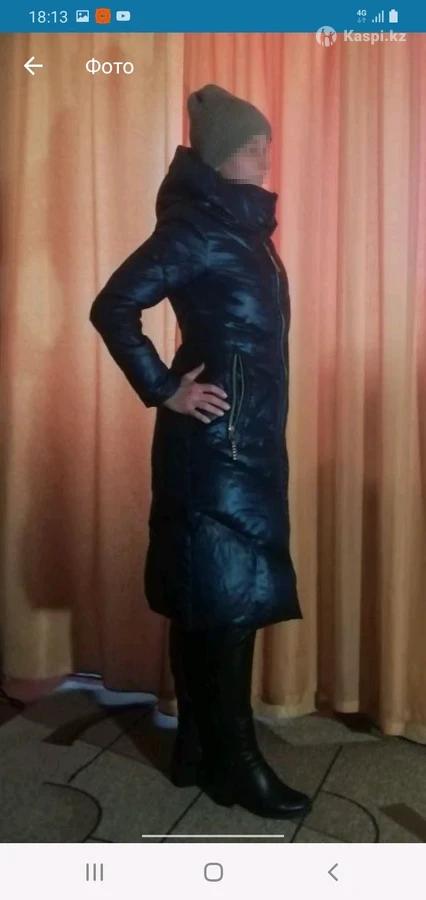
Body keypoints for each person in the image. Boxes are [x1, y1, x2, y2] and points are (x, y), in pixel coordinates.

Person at [89, 83, 312, 819]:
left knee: (208, 595)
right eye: (251, 145)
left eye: (265, 142)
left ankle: (195, 747)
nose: (264, 154)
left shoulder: (239, 226)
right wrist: (165, 388)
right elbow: (114, 305)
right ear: (221, 157)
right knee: (227, 599)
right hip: (217, 446)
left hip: (243, 441)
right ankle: (235, 763)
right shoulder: (199, 228)